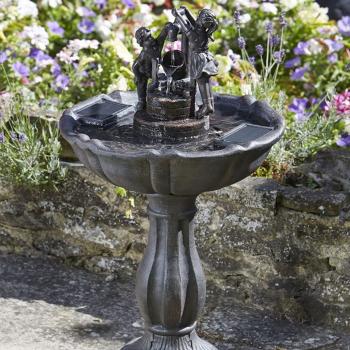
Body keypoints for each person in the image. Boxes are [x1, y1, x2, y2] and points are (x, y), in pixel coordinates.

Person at [172, 7, 219, 117]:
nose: (196, 18)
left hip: (199, 60)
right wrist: (187, 11)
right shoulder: (201, 30)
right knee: (206, 82)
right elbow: (193, 23)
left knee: (202, 83)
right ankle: (209, 104)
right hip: (204, 58)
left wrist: (177, 16)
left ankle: (207, 106)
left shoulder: (197, 35)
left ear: (202, 21)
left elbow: (187, 28)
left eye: (199, 17)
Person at [132, 23, 173, 111]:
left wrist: (167, 27)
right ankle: (141, 101)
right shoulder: (144, 54)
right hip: (143, 71)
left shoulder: (157, 45)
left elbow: (163, 35)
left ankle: (161, 104)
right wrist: (137, 76)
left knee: (161, 81)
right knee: (141, 84)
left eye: (151, 36)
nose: (151, 39)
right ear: (142, 43)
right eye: (148, 38)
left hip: (154, 70)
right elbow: (135, 66)